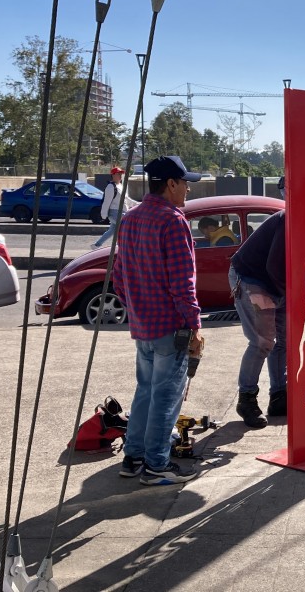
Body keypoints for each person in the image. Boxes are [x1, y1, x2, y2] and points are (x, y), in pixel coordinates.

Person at [113, 155, 204, 485]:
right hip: (171, 327)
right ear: (171, 184)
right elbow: (183, 284)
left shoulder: (130, 219)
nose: (188, 189)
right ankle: (156, 466)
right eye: (185, 183)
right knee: (166, 398)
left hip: (142, 326)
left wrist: (135, 308)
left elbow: (119, 278)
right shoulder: (173, 221)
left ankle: (133, 457)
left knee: (145, 392)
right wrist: (194, 327)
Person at [228, 209, 287, 427]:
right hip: (253, 279)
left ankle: (279, 396)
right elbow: (275, 265)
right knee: (262, 343)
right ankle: (247, 399)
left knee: (284, 340)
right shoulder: (290, 219)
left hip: (276, 283)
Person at [92, 166, 137, 250]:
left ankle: (96, 245)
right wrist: (103, 215)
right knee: (124, 227)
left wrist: (137, 204)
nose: (120, 176)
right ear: (113, 175)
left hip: (122, 211)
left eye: (121, 174)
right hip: (114, 212)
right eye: (118, 174)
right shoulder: (110, 187)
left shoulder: (120, 185)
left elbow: (126, 199)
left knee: (112, 230)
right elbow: (106, 202)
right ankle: (120, 246)